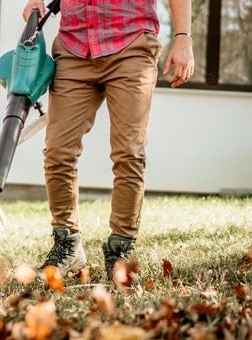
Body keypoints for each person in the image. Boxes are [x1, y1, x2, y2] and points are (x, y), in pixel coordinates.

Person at [22, 0, 195, 279]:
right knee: (58, 150)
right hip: (73, 46)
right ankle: (68, 247)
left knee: (129, 151)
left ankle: (120, 250)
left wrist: (183, 38)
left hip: (131, 46)